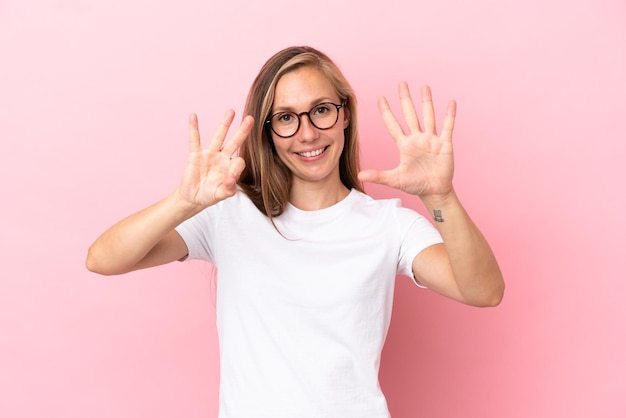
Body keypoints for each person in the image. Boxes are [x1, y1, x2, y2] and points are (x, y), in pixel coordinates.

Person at [87, 46, 504, 418]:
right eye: (286, 118)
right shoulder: (229, 214)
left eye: (321, 109)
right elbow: (103, 259)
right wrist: (182, 202)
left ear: (344, 114)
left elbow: (483, 291)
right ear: (268, 132)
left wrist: (442, 197)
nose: (307, 133)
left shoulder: (388, 225)